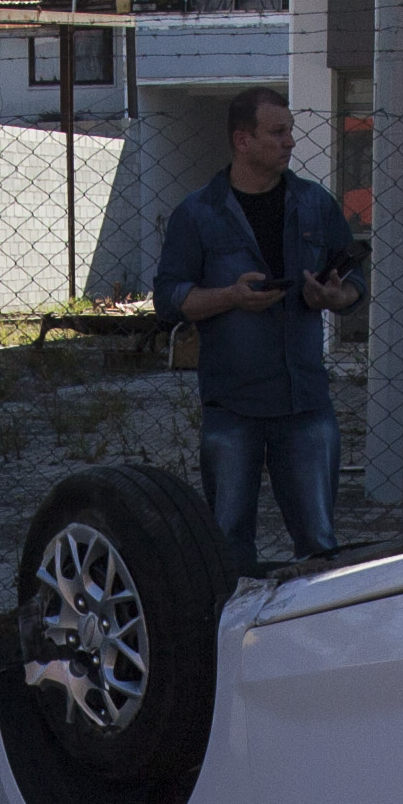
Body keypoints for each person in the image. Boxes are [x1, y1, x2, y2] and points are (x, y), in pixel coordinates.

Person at [153, 87, 361, 577]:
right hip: (233, 405)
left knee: (319, 546)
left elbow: (352, 282)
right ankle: (233, 645)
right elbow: (168, 298)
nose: (291, 141)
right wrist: (230, 297)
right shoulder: (198, 213)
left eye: (289, 129)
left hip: (304, 400)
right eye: (278, 132)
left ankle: (311, 647)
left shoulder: (314, 205)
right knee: (227, 547)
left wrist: (334, 297)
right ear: (242, 141)